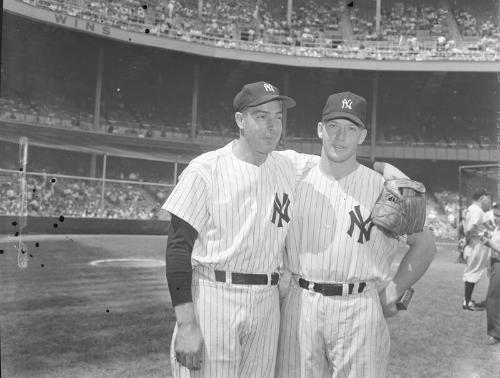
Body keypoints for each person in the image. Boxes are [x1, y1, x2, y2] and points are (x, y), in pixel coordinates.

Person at [162, 82, 410, 377]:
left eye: (278, 117)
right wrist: (187, 323)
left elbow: (339, 158)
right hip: (215, 296)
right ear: (240, 120)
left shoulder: (287, 165)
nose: (272, 126)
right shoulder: (205, 169)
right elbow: (178, 247)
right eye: (261, 116)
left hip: (267, 304)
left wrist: (382, 167)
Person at [275, 92, 436, 377]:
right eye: (333, 126)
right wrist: (383, 164)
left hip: (359, 307)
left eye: (350, 129)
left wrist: (395, 291)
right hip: (301, 305)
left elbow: (425, 244)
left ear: (362, 136)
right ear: (319, 129)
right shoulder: (295, 172)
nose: (340, 136)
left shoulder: (382, 188)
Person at [462, 188, 492, 311]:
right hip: (476, 243)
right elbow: (470, 229)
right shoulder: (477, 211)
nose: (489, 200)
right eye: (487, 197)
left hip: (476, 242)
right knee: (473, 272)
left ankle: (468, 300)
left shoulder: (473, 209)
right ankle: (467, 301)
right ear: (481, 198)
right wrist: (467, 240)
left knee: (474, 271)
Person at [480, 202, 500, 345]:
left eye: (499, 215)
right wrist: (489, 263)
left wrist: (489, 244)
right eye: (495, 215)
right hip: (495, 263)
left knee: (492, 299)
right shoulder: (497, 228)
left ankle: (495, 333)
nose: (496, 218)